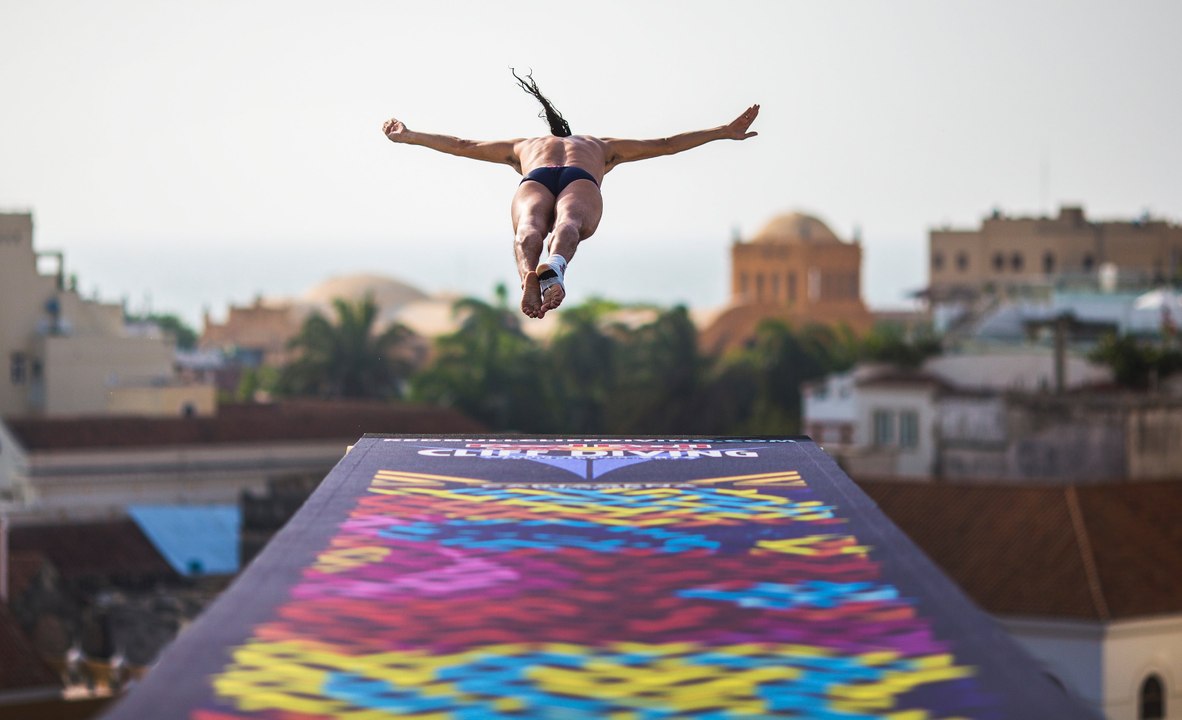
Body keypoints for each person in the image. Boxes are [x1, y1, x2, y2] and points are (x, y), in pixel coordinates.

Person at [382, 72, 759, 318]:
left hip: (535, 176)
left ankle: (528, 275)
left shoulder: (526, 145)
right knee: (570, 223)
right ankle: (556, 266)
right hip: (582, 177)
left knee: (528, 229)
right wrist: (722, 130)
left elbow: (464, 144)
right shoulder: (599, 145)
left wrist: (410, 135)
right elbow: (665, 144)